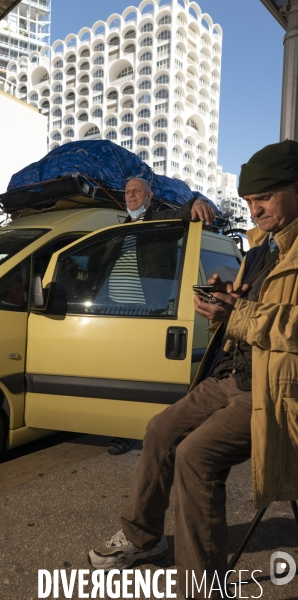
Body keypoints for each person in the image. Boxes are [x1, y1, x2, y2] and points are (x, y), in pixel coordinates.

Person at [90, 139, 298, 600]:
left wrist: (236, 315)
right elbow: (258, 306)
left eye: (264, 197)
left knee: (196, 456)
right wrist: (230, 297)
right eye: (248, 201)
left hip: (273, 391)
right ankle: (143, 539)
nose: (255, 209)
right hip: (234, 372)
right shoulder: (263, 244)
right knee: (161, 429)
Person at [107, 177, 215, 456]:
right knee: (118, 374)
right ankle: (123, 428)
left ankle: (139, 433)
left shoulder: (161, 221)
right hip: (114, 312)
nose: (131, 195)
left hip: (147, 314)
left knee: (140, 377)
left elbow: (184, 212)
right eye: (127, 191)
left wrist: (197, 202)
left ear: (149, 195)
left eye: (137, 191)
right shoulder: (118, 229)